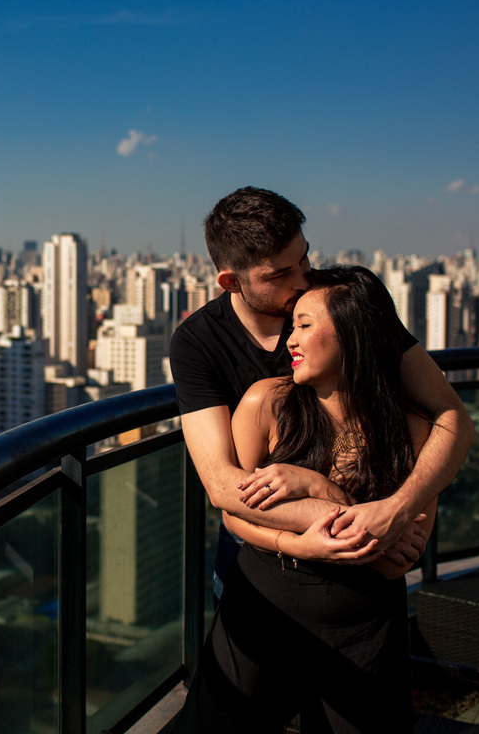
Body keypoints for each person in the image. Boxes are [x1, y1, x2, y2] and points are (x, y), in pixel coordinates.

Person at [171, 265, 443, 732]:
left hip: (366, 625)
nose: (289, 342)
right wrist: (301, 544)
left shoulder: (413, 430)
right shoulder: (265, 404)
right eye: (291, 325)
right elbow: (232, 514)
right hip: (263, 603)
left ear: (355, 336)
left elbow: (398, 560)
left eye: (304, 325)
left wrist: (318, 488)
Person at [169, 187, 472, 600]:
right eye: (279, 274)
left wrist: (398, 508)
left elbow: (451, 415)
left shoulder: (340, 309)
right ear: (231, 282)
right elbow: (224, 486)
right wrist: (364, 523)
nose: (302, 280)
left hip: (367, 564)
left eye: (304, 259)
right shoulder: (199, 341)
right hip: (262, 551)